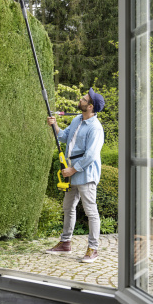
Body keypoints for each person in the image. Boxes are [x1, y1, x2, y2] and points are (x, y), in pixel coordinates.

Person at [45, 87, 105, 263]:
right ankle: (65, 243)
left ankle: (93, 248)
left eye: (84, 99)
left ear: (91, 106)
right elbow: (64, 137)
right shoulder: (77, 120)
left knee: (91, 211)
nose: (81, 100)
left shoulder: (95, 128)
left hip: (86, 175)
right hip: (72, 173)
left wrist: (72, 170)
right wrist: (54, 125)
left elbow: (91, 155)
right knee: (68, 207)